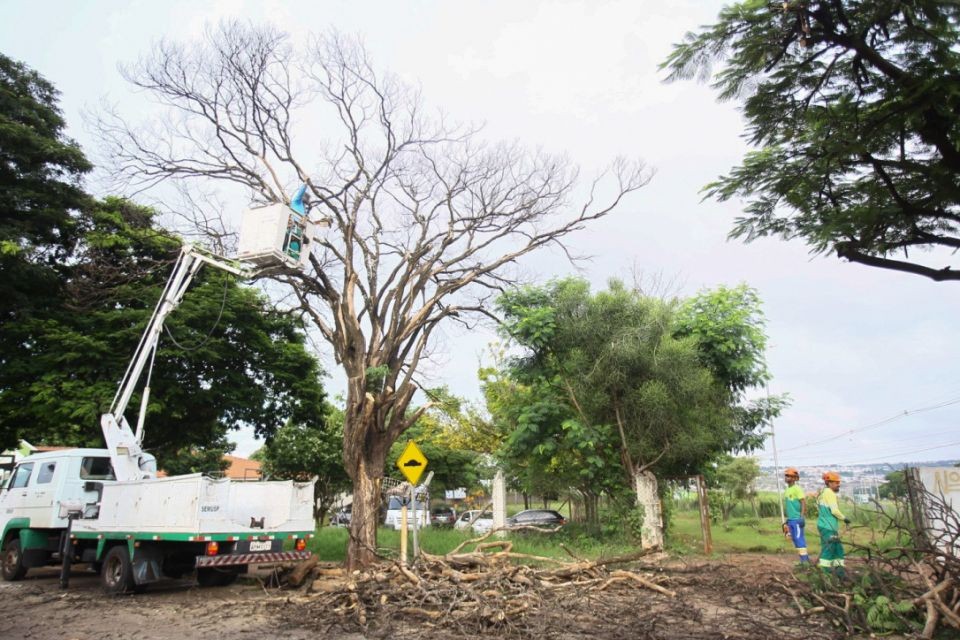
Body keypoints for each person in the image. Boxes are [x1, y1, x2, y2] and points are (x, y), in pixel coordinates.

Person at [817, 471, 851, 577]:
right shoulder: (830, 494)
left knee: (838, 549)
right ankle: (825, 573)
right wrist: (845, 518)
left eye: (838, 482)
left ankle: (839, 572)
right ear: (829, 483)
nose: (838, 484)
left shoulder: (822, 493)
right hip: (828, 527)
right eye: (836, 482)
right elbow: (834, 511)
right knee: (829, 549)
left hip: (825, 525)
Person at [782, 467, 809, 563]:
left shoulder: (797, 489)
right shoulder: (787, 490)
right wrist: (787, 520)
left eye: (789, 476)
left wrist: (801, 517)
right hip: (791, 520)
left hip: (797, 519)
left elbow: (803, 502)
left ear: (794, 478)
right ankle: (803, 560)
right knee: (794, 539)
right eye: (786, 475)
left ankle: (805, 562)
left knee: (799, 539)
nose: (786, 477)